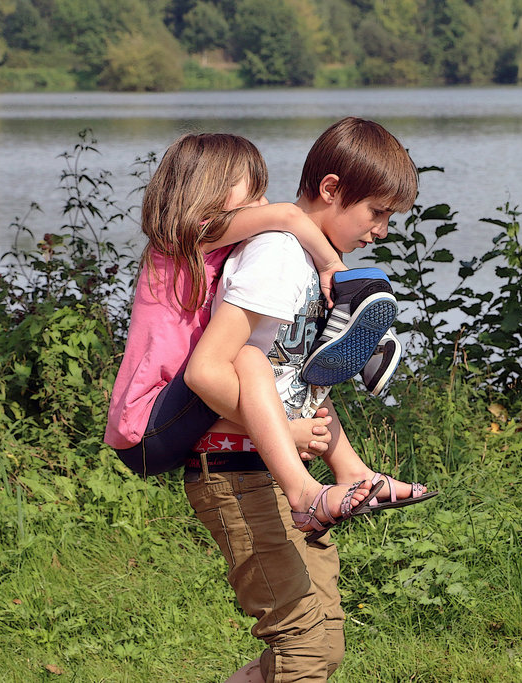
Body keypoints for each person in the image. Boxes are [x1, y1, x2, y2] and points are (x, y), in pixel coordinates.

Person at [183, 117, 435, 682]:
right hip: (238, 466)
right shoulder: (277, 258)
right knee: (304, 648)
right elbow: (209, 369)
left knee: (321, 645)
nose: (383, 231)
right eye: (376, 213)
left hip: (283, 469)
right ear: (330, 189)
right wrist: (292, 434)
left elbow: (290, 382)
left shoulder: (308, 263)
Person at [104, 133, 368, 518]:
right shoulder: (185, 237)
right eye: (254, 193)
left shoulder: (198, 247)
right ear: (208, 191)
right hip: (146, 428)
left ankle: (353, 472)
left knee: (282, 361)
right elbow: (288, 215)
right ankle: (303, 492)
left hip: (163, 420)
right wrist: (331, 266)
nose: (262, 204)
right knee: (249, 360)